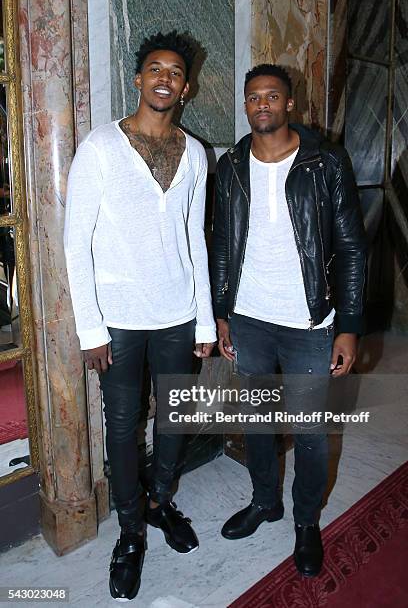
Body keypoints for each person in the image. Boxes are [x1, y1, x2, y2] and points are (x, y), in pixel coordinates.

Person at [64, 31, 216, 601]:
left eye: (175, 72)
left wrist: (204, 320)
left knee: (173, 421)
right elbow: (76, 242)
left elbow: (196, 241)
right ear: (137, 79)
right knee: (124, 428)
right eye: (155, 68)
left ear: (186, 86)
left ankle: (159, 503)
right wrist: (91, 327)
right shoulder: (101, 146)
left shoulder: (196, 152)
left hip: (178, 315)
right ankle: (130, 533)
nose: (164, 79)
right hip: (120, 322)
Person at [211, 64, 366, 577]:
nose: (261, 105)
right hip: (250, 318)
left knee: (311, 432)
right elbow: (222, 245)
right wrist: (222, 312)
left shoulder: (326, 162)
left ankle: (305, 521)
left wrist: (348, 324)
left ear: (289, 104)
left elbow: (350, 248)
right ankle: (264, 502)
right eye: (253, 98)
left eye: (271, 96)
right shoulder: (231, 164)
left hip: (309, 324)